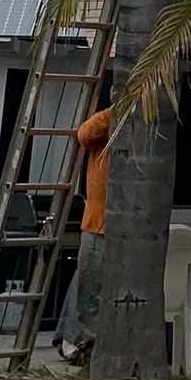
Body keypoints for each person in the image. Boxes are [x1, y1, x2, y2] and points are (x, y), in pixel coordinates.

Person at [54, 94, 114, 365]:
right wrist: (115, 112)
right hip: (97, 225)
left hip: (126, 230)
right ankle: (87, 346)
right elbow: (83, 135)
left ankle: (95, 345)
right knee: (89, 289)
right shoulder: (103, 129)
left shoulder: (141, 134)